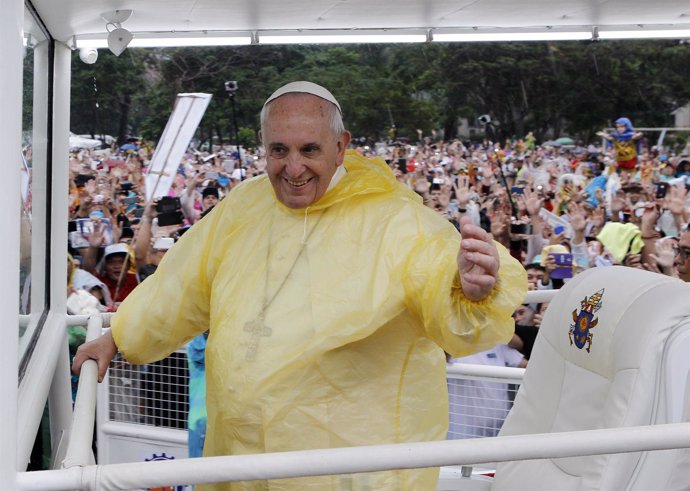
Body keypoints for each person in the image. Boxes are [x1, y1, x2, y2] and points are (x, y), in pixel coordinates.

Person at [73, 81, 527, 490]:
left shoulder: (398, 221)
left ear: (341, 145)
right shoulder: (245, 203)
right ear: (262, 148)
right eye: (279, 151)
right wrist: (120, 337)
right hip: (241, 453)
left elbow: (447, 299)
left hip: (344, 467)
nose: (293, 169)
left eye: (309, 150)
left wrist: (472, 292)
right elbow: (184, 286)